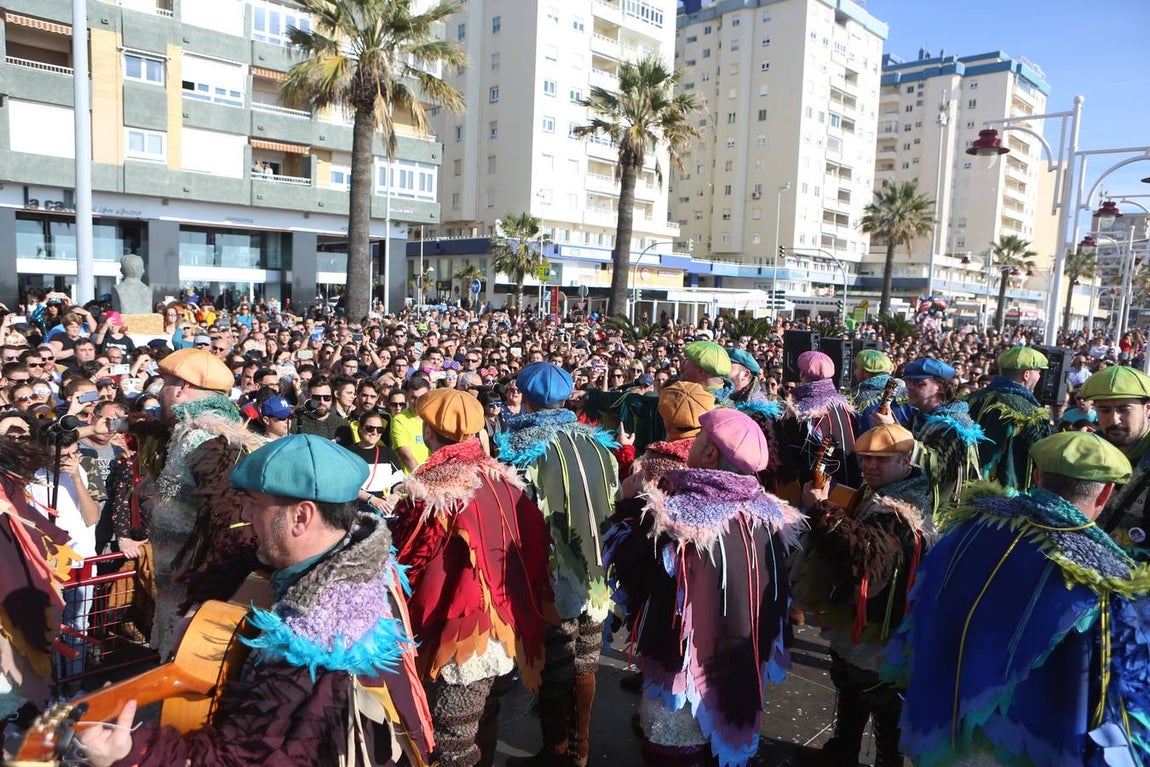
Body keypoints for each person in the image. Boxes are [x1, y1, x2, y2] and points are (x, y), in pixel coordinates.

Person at [76, 434, 434, 766]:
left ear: (301, 516)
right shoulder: (363, 561)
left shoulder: (317, 637)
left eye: (255, 505)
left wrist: (131, 752)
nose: (245, 516)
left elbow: (248, 756)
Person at [884, 431, 1150, 765]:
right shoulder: (1107, 580)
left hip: (939, 721)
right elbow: (1114, 697)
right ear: (1106, 493)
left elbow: (924, 603)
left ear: (1037, 476)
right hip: (1025, 747)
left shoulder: (971, 524)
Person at [605, 408, 802, 766]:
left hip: (682, 665)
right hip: (741, 658)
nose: (692, 444)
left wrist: (628, 504)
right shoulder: (771, 512)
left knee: (674, 747)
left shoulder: (676, 516)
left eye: (698, 439)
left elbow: (634, 572)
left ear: (711, 454)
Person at [390, 389, 555, 767]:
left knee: (452, 743)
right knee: (485, 718)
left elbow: (408, 562)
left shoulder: (431, 489)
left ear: (429, 433)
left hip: (460, 634)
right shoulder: (501, 478)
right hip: (506, 623)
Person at [497, 362, 619, 767]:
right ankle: (579, 751)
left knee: (556, 662)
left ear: (524, 396)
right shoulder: (598, 443)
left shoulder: (520, 445)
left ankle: (557, 754)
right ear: (567, 398)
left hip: (553, 573)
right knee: (586, 658)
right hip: (598, 569)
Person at [792, 423, 931, 767]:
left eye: (881, 460)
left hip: (883, 616)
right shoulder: (886, 490)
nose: (870, 466)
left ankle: (887, 762)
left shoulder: (901, 509)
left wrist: (823, 510)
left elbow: (867, 557)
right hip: (865, 613)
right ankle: (844, 749)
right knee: (850, 682)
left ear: (904, 460)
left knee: (880, 693)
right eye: (866, 458)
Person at [148, 348, 266, 657]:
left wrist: (204, 593)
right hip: (181, 585)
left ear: (183, 387)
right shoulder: (195, 432)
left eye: (165, 383)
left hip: (191, 593)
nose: (161, 391)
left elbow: (226, 521)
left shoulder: (206, 439)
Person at [882, 358, 982, 527]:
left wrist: (892, 430)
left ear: (940, 387)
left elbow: (937, 467)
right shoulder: (919, 417)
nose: (910, 387)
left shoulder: (955, 424)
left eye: (919, 383)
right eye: (908, 382)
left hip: (942, 517)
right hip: (917, 507)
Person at [1078, 364, 1150, 556]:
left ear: (1148, 409)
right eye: (1104, 410)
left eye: (1124, 409)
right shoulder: (1084, 453)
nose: (1114, 420)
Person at [965, 346, 1053, 492]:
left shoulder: (971, 399)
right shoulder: (1029, 411)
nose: (1039, 377)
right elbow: (1043, 452)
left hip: (966, 491)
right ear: (1026, 374)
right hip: (1008, 497)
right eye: (1039, 372)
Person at [777, 350, 859, 490]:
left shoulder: (800, 413)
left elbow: (790, 459)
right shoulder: (845, 408)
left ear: (802, 374)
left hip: (812, 491)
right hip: (847, 488)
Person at [851, 349, 912, 431]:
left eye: (856, 368)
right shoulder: (906, 393)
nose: (854, 372)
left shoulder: (857, 397)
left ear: (866, 372)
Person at [391, 375, 431, 473]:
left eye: (421, 397)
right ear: (407, 397)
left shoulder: (434, 418)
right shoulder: (399, 420)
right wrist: (422, 479)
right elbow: (406, 456)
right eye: (413, 397)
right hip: (411, 482)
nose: (417, 402)